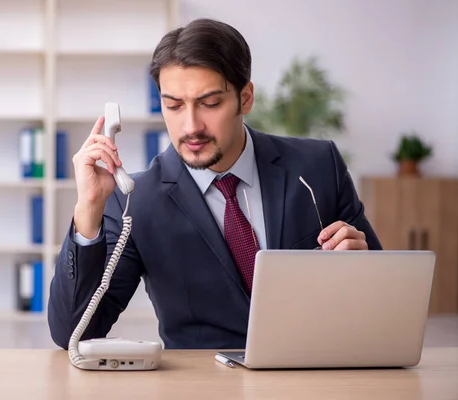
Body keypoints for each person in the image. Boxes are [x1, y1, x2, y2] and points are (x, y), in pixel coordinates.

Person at [47, 18, 383, 350]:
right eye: (173, 106)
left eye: (209, 104)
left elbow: (383, 298)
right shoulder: (137, 201)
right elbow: (73, 333)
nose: (191, 126)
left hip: (317, 374)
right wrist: (88, 210)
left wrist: (362, 266)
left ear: (245, 98)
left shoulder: (318, 166)